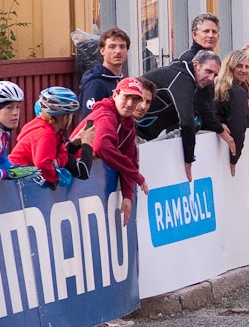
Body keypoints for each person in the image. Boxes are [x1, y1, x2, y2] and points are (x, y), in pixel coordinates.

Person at [136, 50, 236, 182]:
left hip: (144, 134)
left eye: (215, 75)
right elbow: (187, 122)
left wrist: (218, 128)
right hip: (133, 131)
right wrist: (189, 159)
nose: (211, 78)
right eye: (208, 71)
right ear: (196, 65)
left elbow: (202, 110)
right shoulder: (182, 79)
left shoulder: (191, 79)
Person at [71, 77, 148, 225]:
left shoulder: (128, 124)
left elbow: (129, 157)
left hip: (88, 181)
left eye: (135, 99)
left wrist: (127, 195)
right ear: (115, 95)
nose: (130, 103)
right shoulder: (105, 115)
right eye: (126, 97)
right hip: (73, 178)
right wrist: (136, 175)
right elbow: (102, 147)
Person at [9, 87, 95, 188]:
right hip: (17, 174)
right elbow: (43, 165)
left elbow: (63, 155)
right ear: (64, 117)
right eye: (71, 115)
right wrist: (55, 178)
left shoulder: (54, 132)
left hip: (21, 174)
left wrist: (58, 160)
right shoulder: (45, 134)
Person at [213, 50, 249, 176]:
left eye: (247, 66)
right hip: (223, 150)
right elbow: (238, 126)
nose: (244, 70)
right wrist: (234, 158)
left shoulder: (215, 84)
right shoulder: (237, 92)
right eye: (239, 66)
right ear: (230, 66)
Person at [79, 27, 130, 118]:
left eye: (122, 47)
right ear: (102, 51)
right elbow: (90, 119)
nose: (118, 51)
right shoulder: (96, 83)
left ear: (127, 51)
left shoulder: (121, 81)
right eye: (112, 47)